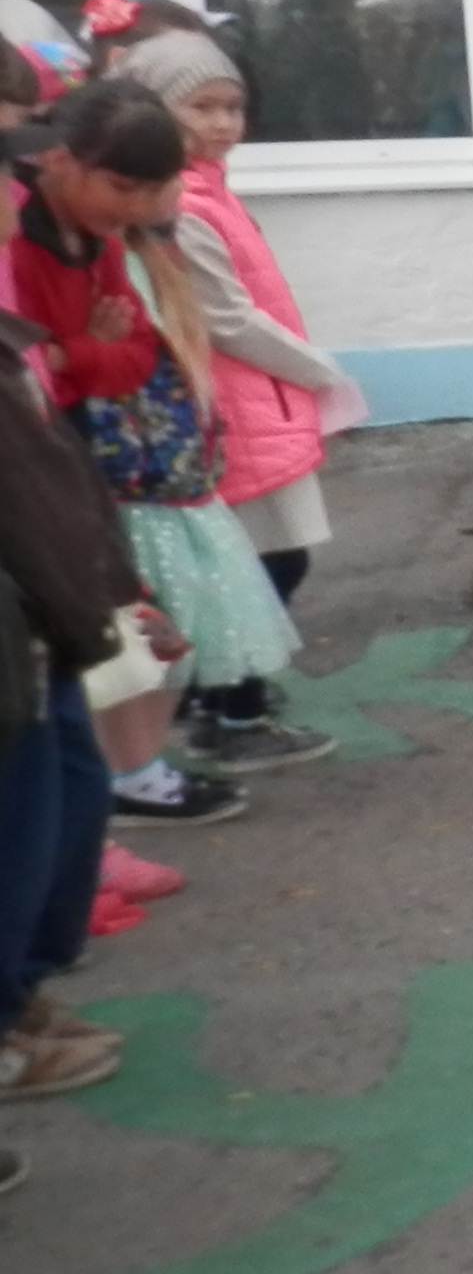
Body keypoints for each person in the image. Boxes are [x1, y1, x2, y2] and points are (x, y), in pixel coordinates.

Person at [7, 79, 292, 834]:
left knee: (143, 618)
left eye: (150, 190)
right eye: (121, 187)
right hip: (49, 461)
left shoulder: (98, 241)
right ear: (59, 160)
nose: (134, 208)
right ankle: (113, 786)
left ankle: (123, 780)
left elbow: (129, 356)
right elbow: (31, 366)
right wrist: (82, 350)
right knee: (78, 632)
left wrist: (74, 354)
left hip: (92, 450)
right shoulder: (24, 244)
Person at [113, 26, 348, 773]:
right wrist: (320, 370)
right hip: (236, 406)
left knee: (261, 559)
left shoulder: (205, 191)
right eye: (202, 107)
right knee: (262, 563)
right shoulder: (182, 205)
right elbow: (228, 318)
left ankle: (214, 698)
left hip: (255, 403)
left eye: (233, 107)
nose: (222, 123)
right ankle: (232, 710)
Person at [0, 216, 147, 1108]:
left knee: (60, 798)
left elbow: (53, 480)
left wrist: (105, 595)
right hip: (28, 618)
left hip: (39, 621)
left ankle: (21, 994)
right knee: (23, 818)